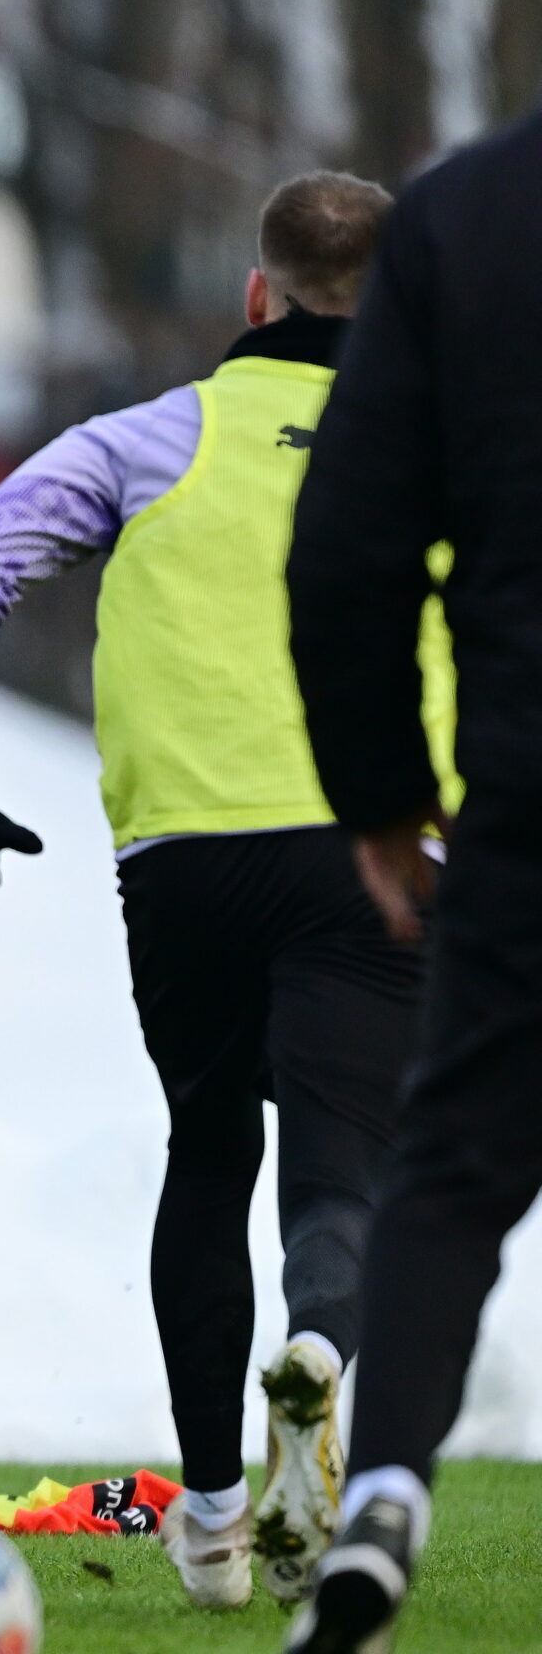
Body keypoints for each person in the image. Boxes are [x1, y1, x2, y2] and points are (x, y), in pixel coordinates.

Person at [0, 173, 455, 1613]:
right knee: (342, 1162)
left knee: (209, 1153)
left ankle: (211, 1518)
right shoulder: (453, 450)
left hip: (187, 861)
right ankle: (321, 1350)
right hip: (381, 852)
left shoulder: (144, 441)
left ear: (255, 296)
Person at [280, 110, 542, 1654]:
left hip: (527, 783)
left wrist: (382, 800)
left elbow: (348, 551)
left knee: (448, 1163)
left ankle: (384, 1494)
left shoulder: (467, 218)